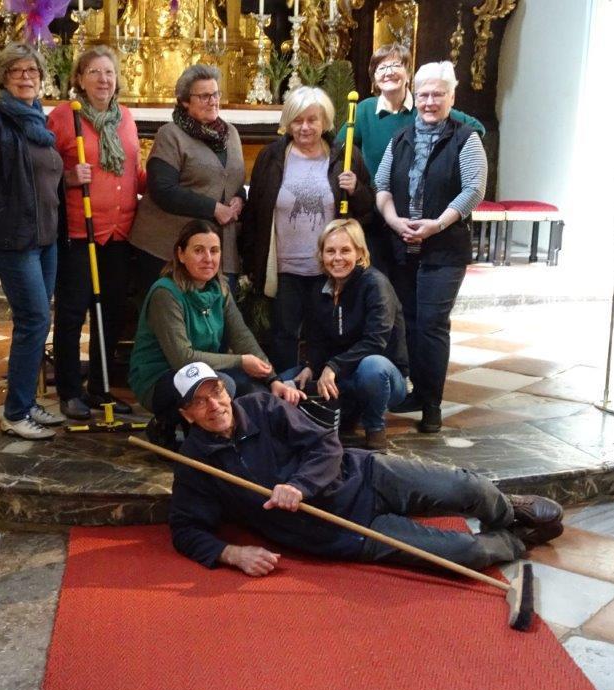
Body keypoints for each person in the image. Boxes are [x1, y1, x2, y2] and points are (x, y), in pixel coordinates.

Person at [168, 362, 564, 576]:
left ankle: (508, 511)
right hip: (343, 531)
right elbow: (185, 529)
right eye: (200, 402)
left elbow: (325, 444)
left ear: (226, 390)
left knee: (469, 489)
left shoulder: (262, 407)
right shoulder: (195, 464)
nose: (214, 405)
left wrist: (300, 485)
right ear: (187, 415)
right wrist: (232, 554)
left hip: (368, 475)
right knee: (467, 552)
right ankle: (518, 539)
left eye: (215, 392)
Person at [374, 61, 489, 434]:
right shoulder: (401, 138)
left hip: (444, 249)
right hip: (403, 246)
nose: (429, 101)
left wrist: (436, 225)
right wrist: (394, 220)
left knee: (432, 325)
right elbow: (382, 185)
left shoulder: (466, 138)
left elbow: (473, 189)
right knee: (409, 321)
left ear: (452, 97)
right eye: (423, 94)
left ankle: (433, 404)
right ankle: (417, 392)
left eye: (438, 94)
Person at [0, 41, 65, 440]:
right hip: (13, 240)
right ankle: (16, 413)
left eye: (32, 71)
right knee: (33, 319)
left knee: (38, 320)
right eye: (17, 71)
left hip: (45, 238)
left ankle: (27, 400)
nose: (26, 77)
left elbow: (46, 178)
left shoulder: (40, 123)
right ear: (3, 78)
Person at [128, 220, 303, 449]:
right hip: (160, 378)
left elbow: (242, 337)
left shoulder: (220, 288)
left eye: (214, 250)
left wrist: (272, 379)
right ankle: (169, 424)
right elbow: (183, 359)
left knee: (255, 391)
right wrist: (240, 361)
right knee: (224, 386)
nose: (208, 258)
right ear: (181, 254)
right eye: (198, 250)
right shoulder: (166, 293)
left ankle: (238, 443)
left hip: (207, 372)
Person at [241, 86, 374, 373]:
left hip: (329, 268)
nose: (305, 127)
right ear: (288, 123)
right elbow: (255, 212)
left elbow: (367, 211)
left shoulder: (345, 156)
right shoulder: (272, 156)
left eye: (312, 120)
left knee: (324, 334)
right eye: (297, 120)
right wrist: (251, 260)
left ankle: (321, 388)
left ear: (325, 122)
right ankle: (286, 386)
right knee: (283, 334)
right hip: (285, 268)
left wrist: (357, 190)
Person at [47, 46, 144, 421]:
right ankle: (70, 391)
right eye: (94, 72)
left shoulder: (126, 118)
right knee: (72, 313)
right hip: (79, 233)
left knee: (111, 313)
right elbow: (39, 169)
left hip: (120, 234)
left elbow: (134, 172)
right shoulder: (64, 117)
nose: (103, 79)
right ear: (79, 79)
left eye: (109, 72)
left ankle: (100, 388)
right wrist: (68, 177)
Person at [335, 44, 484, 275]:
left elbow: (475, 128)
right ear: (374, 76)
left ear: (408, 73)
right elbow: (340, 146)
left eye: (396, 65)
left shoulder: (425, 104)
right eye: (381, 68)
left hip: (423, 214)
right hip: (378, 207)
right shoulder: (365, 110)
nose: (388, 72)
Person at [128, 64, 246, 300]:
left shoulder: (231, 134)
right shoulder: (170, 135)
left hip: (215, 251)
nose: (213, 101)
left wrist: (239, 199)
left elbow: (233, 180)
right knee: (171, 316)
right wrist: (214, 208)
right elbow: (163, 190)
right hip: (166, 249)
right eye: (204, 96)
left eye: (215, 94)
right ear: (184, 101)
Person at [291, 219, 408, 450]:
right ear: (321, 255)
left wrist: (333, 366)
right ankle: (341, 416)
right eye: (330, 251)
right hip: (341, 375)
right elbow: (316, 339)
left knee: (372, 367)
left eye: (345, 250)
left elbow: (376, 341)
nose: (337, 258)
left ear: (360, 253)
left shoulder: (375, 284)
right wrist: (311, 366)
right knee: (289, 378)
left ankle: (375, 427)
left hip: (385, 378)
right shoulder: (320, 288)